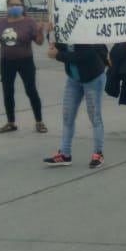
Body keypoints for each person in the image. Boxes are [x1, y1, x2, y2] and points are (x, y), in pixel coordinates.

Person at [0, 0, 47, 134]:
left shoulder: (29, 22)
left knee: (31, 90)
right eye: (12, 5)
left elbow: (39, 42)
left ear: (22, 7)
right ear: (7, 7)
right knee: (8, 92)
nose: (15, 7)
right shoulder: (2, 23)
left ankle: (39, 122)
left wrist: (40, 31)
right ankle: (10, 122)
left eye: (18, 4)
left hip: (25, 61)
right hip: (6, 62)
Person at [43, 33, 109, 169]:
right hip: (74, 78)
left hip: (93, 78)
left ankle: (98, 153)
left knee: (95, 117)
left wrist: (58, 55)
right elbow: (57, 44)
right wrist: (51, 33)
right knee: (67, 116)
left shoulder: (85, 31)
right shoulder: (65, 29)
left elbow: (84, 55)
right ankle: (65, 154)